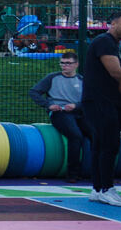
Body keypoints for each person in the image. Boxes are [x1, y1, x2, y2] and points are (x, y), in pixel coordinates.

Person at [80, 11, 121, 207]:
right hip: (100, 102)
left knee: (101, 145)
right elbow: (116, 72)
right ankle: (106, 188)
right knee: (109, 145)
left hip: (104, 102)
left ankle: (97, 189)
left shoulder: (114, 45)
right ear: (112, 24)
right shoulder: (105, 42)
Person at [30, 53, 90, 182]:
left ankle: (95, 171)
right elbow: (34, 92)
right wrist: (49, 105)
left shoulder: (82, 80)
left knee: (96, 134)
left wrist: (76, 106)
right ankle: (72, 174)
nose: (64, 66)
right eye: (62, 63)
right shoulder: (52, 78)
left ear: (76, 64)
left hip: (78, 112)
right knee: (75, 136)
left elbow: (89, 100)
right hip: (60, 113)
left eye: (68, 63)